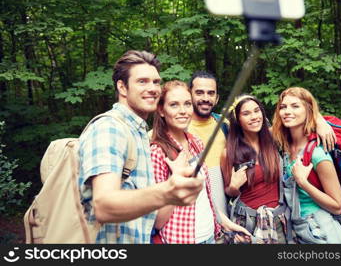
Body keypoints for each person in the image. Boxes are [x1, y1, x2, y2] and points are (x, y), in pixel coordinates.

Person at [78, 50, 204, 244]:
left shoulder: (138, 134)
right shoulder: (110, 128)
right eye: (142, 81)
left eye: (156, 82)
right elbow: (103, 206)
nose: (153, 88)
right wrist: (166, 191)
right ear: (122, 87)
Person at [150, 80, 250, 243]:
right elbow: (158, 221)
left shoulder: (196, 142)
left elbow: (206, 196)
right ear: (161, 110)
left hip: (209, 235)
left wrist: (224, 222)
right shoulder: (157, 152)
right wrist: (176, 182)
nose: (183, 111)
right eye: (174, 105)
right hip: (181, 240)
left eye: (187, 104)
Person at [271, 87, 341, 244]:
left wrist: (303, 182)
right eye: (283, 107)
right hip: (300, 228)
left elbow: (337, 206)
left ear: (307, 110)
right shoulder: (286, 146)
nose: (287, 111)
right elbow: (252, 131)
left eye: (295, 106)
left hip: (323, 230)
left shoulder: (317, 153)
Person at [220, 94, 286, 244]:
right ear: (237, 120)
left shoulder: (272, 139)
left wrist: (321, 123)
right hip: (248, 223)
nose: (254, 116)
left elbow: (301, 121)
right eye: (246, 113)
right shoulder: (229, 153)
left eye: (257, 111)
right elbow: (228, 193)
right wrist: (233, 186)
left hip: (279, 220)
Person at [187, 71, 229, 216]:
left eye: (211, 93)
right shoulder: (177, 128)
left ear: (217, 98)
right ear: (189, 94)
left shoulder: (225, 125)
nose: (206, 98)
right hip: (191, 222)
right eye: (199, 92)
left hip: (224, 216)